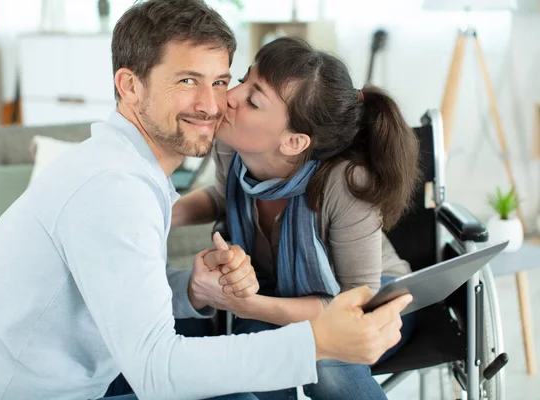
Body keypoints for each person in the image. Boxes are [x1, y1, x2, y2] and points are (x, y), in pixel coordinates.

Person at [0, 1, 412, 400]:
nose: (213, 103)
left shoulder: (126, 171)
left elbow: (111, 292)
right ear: (129, 86)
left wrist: (192, 289)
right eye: (187, 81)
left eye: (221, 80)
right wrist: (314, 340)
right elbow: (156, 369)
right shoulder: (114, 189)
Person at [172, 37, 422, 400]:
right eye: (245, 78)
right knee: (257, 353)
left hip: (373, 303)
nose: (231, 95)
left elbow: (351, 308)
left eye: (253, 100)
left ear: (293, 142)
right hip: (278, 292)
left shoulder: (345, 184)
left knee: (327, 365)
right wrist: (161, 213)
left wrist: (247, 304)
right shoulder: (231, 144)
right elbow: (222, 196)